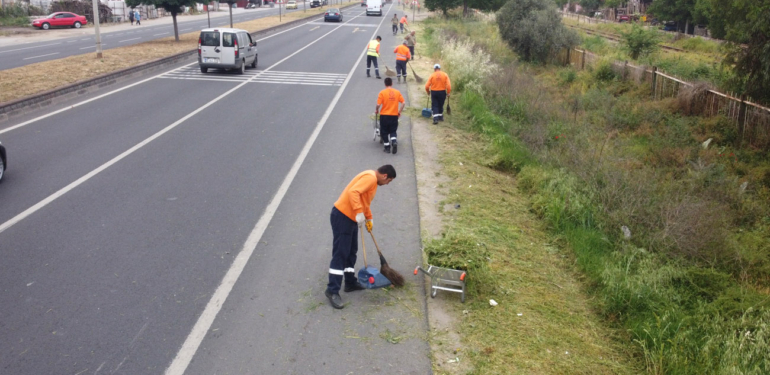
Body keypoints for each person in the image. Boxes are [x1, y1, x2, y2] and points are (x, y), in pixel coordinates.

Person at [325, 165, 397, 309]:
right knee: (340, 254)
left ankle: (350, 282)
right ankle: (332, 290)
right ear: (385, 176)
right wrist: (359, 212)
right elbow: (353, 192)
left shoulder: (372, 180)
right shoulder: (371, 178)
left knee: (351, 252)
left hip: (350, 219)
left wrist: (369, 218)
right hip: (343, 217)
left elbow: (364, 200)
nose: (387, 184)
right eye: (389, 181)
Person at [376, 77, 405, 154]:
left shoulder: (382, 93)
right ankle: (394, 142)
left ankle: (387, 147)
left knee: (384, 131)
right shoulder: (397, 92)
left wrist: (377, 110)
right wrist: (399, 111)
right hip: (394, 115)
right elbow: (403, 103)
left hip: (384, 115)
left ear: (385, 84)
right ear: (392, 83)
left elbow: (378, 104)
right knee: (393, 131)